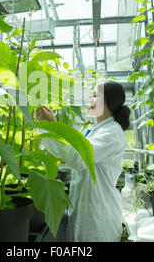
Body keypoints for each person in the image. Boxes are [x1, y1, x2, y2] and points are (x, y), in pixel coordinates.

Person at [36, 80, 130, 242]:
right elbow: (63, 150)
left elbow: (78, 158)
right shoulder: (91, 130)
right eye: (91, 96)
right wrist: (46, 126)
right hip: (85, 207)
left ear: (110, 101)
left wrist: (53, 125)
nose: (90, 101)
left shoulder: (111, 132)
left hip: (99, 213)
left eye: (95, 96)